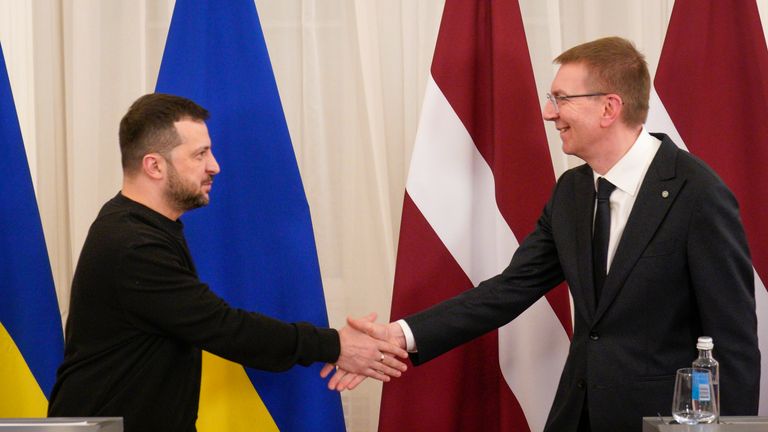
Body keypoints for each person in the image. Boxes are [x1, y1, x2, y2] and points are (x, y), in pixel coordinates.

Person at [336, 37, 761, 431]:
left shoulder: (698, 193)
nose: (548, 112)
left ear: (609, 108)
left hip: (660, 421)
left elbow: (734, 343)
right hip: (577, 417)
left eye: (561, 99)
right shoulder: (573, 192)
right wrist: (400, 335)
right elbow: (508, 290)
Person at [47, 93, 407, 431]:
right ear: (154, 166)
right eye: (200, 154)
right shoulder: (132, 245)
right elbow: (224, 328)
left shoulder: (144, 227)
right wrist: (336, 345)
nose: (215, 166)